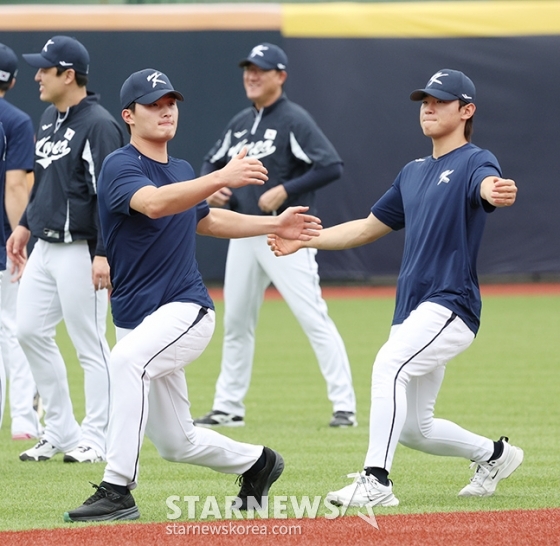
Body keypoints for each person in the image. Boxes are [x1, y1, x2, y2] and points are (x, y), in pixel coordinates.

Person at [63, 68, 322, 522]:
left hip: (185, 309)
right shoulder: (121, 165)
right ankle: (258, 462)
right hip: (136, 315)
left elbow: (207, 221)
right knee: (176, 442)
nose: (166, 111)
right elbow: (155, 203)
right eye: (153, 104)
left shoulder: (181, 171)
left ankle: (117, 489)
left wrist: (273, 224)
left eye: (171, 103)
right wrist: (221, 175)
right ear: (129, 115)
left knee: (124, 362)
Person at [269, 69, 523, 506]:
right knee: (415, 429)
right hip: (412, 307)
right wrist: (305, 239)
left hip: (451, 303)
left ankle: (376, 482)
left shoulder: (475, 161)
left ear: (466, 111)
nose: (428, 106)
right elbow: (367, 227)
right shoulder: (413, 172)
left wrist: (495, 191)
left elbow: (488, 185)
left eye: (440, 100)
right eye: (424, 99)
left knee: (388, 366)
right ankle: (496, 455)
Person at [194, 43, 357, 429]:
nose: (251, 76)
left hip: (288, 234)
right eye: (248, 69)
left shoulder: (293, 119)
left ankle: (344, 405)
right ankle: (228, 406)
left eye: (261, 70)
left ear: (280, 76)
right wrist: (212, 184)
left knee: (311, 316)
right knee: (236, 322)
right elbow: (211, 161)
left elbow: (330, 165)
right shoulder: (239, 122)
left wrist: (286, 190)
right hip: (245, 231)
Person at [7, 36, 124, 463]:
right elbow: (43, 182)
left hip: (83, 249)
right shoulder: (48, 117)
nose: (37, 75)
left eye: (45, 68)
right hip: (45, 246)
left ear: (68, 74)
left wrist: (104, 252)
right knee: (28, 331)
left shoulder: (99, 124)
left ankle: (97, 437)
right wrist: (23, 226)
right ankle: (59, 429)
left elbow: (111, 196)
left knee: (89, 343)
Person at [0, 42, 42, 441]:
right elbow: (15, 184)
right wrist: (20, 237)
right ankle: (24, 423)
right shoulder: (13, 120)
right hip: (2, 243)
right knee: (13, 330)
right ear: (12, 81)